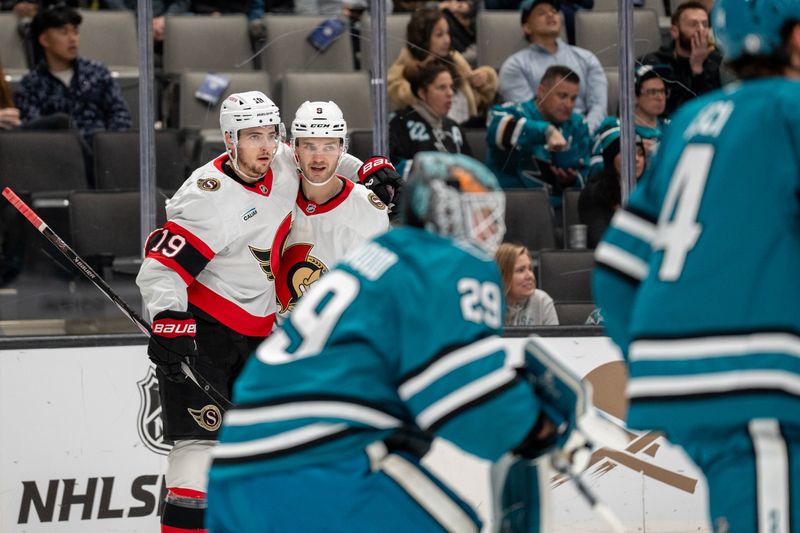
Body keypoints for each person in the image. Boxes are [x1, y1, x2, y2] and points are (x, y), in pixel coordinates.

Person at [206, 151, 607, 533]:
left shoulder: (377, 254)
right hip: (319, 464)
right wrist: (534, 427)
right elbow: (468, 400)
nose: (492, 228)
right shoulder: (449, 263)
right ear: (448, 214)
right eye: (481, 213)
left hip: (233, 469)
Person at [136, 90, 399, 533]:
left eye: (269, 135)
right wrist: (167, 319)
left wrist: (369, 169)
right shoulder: (208, 197)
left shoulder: (278, 163)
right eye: (251, 136)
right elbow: (162, 265)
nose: (264, 145)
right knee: (198, 457)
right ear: (228, 139)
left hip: (259, 336)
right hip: (205, 332)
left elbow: (318, 155)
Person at [593, 1, 800, 531]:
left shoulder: (689, 121)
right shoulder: (791, 111)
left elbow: (616, 270)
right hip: (761, 382)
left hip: (697, 382)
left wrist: (659, 361)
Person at [275, 100, 390, 316]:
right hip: (274, 338)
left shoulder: (368, 210)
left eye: (329, 146)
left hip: (335, 339)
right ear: (295, 148)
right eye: (309, 146)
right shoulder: (274, 192)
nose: (318, 158)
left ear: (342, 149)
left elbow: (378, 291)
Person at [15, 3, 131, 146]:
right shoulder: (30, 85)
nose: (73, 39)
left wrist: (108, 148)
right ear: (44, 40)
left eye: (75, 31)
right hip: (58, 156)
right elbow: (33, 133)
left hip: (102, 155)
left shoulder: (97, 73)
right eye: (64, 32)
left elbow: (121, 116)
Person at [486, 64, 591, 208]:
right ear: (542, 91)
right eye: (562, 96)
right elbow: (495, 130)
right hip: (511, 208)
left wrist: (569, 180)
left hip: (559, 213)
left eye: (573, 98)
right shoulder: (514, 111)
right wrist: (546, 131)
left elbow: (587, 175)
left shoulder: (578, 125)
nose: (568, 105)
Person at [498, 0, 606, 133]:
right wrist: (552, 135)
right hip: (541, 140)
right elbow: (527, 113)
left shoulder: (587, 58)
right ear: (527, 27)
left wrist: (583, 134)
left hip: (586, 135)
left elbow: (599, 106)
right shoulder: (514, 65)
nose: (550, 15)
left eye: (554, 11)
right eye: (541, 13)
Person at [388, 6, 498, 126]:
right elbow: (400, 97)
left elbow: (478, 99)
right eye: (439, 35)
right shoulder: (405, 68)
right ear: (422, 38)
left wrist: (484, 80)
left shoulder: (455, 61)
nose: (447, 40)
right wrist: (424, 76)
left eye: (448, 33)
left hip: (464, 130)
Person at [638, 1, 722, 117]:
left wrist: (698, 68)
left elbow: (711, 107)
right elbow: (668, 111)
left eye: (705, 24)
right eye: (693, 24)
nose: (701, 30)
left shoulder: (716, 62)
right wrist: (695, 66)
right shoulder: (653, 63)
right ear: (674, 31)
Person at [389, 59, 472, 168]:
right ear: (422, 93)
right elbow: (393, 169)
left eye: (451, 87)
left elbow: (472, 168)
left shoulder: (453, 126)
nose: (450, 93)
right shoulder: (400, 123)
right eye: (442, 87)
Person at [579, 124, 647, 247]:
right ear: (611, 158)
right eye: (628, 152)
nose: (636, 159)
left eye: (640, 153)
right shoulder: (595, 193)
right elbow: (599, 239)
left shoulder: (649, 191)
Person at [495, 243, 558, 326]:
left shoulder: (541, 301)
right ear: (503, 275)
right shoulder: (489, 303)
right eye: (520, 270)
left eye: (530, 269)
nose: (530, 276)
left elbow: (553, 338)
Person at [633, 63, 672, 156]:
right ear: (634, 96)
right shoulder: (618, 130)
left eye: (662, 91)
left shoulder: (672, 127)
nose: (660, 98)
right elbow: (598, 166)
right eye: (652, 92)